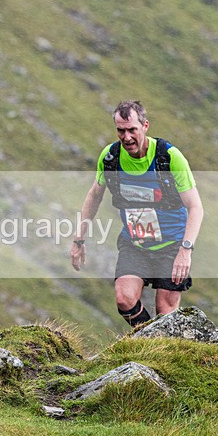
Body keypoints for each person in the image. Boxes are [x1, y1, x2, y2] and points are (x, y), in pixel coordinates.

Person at [70, 100, 203, 327]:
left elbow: (196, 207)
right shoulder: (110, 158)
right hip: (136, 243)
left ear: (145, 126)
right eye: (121, 130)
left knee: (165, 311)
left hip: (172, 244)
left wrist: (185, 250)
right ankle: (149, 340)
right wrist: (79, 239)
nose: (127, 137)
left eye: (132, 129)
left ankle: (161, 348)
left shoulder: (169, 158)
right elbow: (94, 196)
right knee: (124, 298)